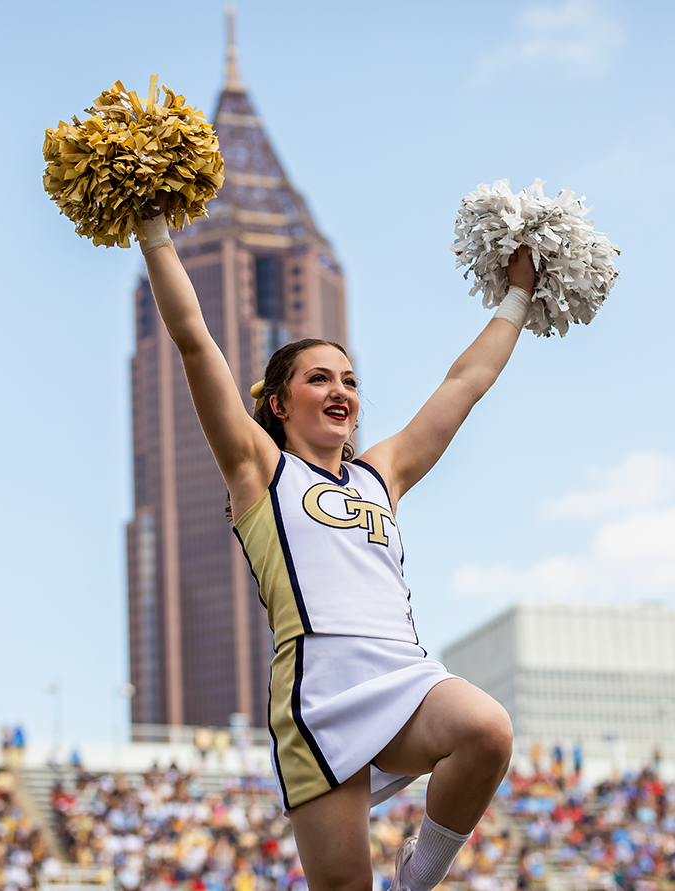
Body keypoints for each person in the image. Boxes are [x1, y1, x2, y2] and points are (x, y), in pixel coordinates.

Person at [138, 197, 536, 891]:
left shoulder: (382, 472)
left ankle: (416, 877)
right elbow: (196, 340)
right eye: (318, 378)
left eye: (349, 379)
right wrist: (153, 234)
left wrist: (518, 293)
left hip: (403, 674)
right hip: (318, 694)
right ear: (281, 405)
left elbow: (465, 384)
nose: (341, 390)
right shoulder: (259, 470)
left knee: (488, 729)